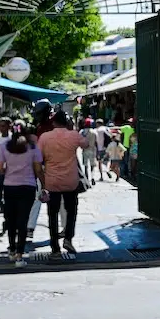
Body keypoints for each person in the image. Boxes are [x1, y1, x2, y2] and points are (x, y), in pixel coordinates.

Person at [37, 110, 91, 257]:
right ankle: (68, 238)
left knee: (52, 213)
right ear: (66, 122)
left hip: (51, 181)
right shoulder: (73, 135)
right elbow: (86, 144)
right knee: (71, 210)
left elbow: (38, 156)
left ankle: (55, 246)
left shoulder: (45, 137)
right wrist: (72, 129)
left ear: (53, 122)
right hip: (70, 180)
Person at [0, 127, 43, 268]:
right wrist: (44, 184)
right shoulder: (33, 147)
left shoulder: (4, 146)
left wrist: (7, 171)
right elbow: (38, 169)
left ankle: (11, 248)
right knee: (23, 221)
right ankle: (19, 255)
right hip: (28, 187)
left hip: (10, 187)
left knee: (10, 219)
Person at [79, 119, 98, 187]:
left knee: (86, 166)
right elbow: (96, 142)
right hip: (92, 150)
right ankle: (92, 177)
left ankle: (87, 178)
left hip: (85, 150)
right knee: (92, 165)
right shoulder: (94, 132)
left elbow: (79, 141)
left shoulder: (82, 131)